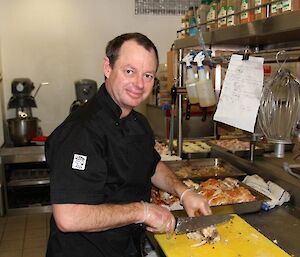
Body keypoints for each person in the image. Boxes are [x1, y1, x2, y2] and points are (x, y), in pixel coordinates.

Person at [45, 32, 211, 257]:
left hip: (126, 247)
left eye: (148, 75)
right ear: (107, 67)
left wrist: (184, 192)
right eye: (129, 71)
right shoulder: (80, 131)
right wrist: (142, 211)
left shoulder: (138, 122)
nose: (139, 84)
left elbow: (151, 165)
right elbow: (68, 217)